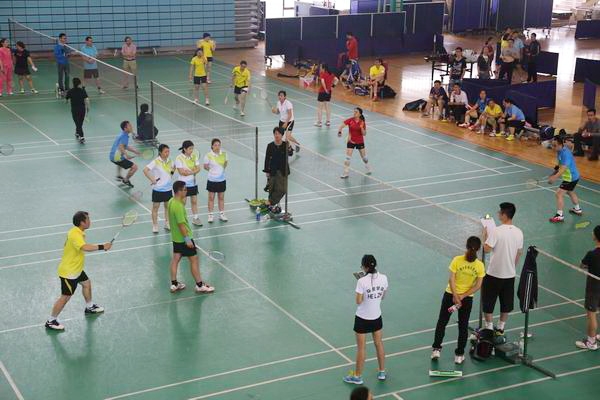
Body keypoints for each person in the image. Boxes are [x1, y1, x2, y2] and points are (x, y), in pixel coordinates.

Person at [44, 211, 112, 331]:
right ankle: (51, 321)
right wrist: (102, 246)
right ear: (82, 222)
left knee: (87, 284)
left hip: (77, 269)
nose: (90, 221)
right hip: (69, 273)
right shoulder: (75, 234)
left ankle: (89, 307)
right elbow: (84, 247)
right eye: (88, 219)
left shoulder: (76, 232)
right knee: (65, 297)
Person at [431, 236, 485, 364]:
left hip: (450, 295)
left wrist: (455, 296)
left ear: (466, 246)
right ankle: (459, 355)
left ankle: (436, 350)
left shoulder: (457, 260)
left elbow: (451, 280)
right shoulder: (480, 265)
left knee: (442, 322)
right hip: (466, 299)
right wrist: (462, 296)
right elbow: (478, 285)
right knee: (463, 326)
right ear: (478, 249)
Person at [481, 202, 523, 339]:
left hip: (493, 274)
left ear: (504, 215)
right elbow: (519, 252)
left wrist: (484, 236)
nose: (498, 214)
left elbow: (487, 249)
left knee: (488, 301)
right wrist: (512, 267)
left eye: (500, 212)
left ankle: (488, 327)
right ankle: (500, 328)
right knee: (506, 303)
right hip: (510, 275)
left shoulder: (496, 231)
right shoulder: (519, 232)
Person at [343, 255, 388, 385]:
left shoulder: (361, 281)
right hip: (376, 317)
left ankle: (357, 377)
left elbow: (358, 301)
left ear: (365, 267)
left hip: (362, 319)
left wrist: (364, 288)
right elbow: (383, 296)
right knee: (379, 344)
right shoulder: (384, 278)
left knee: (361, 348)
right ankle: (382, 372)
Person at [167, 180, 215, 294]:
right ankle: (200, 285)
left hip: (175, 238)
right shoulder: (178, 206)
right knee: (194, 259)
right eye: (185, 190)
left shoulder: (171, 201)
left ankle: (174, 284)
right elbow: (181, 224)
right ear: (179, 191)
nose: (186, 191)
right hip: (183, 238)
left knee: (175, 259)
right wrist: (187, 239)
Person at [575, 225, 600, 350]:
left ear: (595, 237)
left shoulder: (591, 254)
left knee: (591, 315)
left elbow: (582, 265)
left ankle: (591, 342)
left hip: (594, 288)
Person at [548, 136, 583, 223]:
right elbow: (559, 165)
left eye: (555, 145)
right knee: (570, 192)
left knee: (558, 194)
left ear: (561, 144)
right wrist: (553, 173)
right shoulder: (559, 151)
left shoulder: (565, 154)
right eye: (552, 145)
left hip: (571, 178)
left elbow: (563, 168)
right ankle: (577, 209)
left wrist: (554, 178)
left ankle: (559, 216)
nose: (553, 147)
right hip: (573, 176)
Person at [143, 144, 175, 233]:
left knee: (167, 207)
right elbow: (145, 170)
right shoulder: (156, 161)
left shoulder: (170, 161)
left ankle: (167, 223)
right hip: (158, 189)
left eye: (168, 151)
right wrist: (152, 179)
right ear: (160, 152)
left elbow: (174, 167)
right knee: (155, 207)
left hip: (168, 189)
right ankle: (155, 225)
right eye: (165, 152)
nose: (167, 153)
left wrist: (171, 174)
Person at [175, 140, 203, 226]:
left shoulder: (194, 156)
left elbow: (198, 168)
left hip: (193, 183)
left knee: (194, 201)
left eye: (192, 149)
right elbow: (181, 172)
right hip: (183, 184)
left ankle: (195, 218)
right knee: (183, 202)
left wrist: (190, 172)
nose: (192, 150)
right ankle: (181, 219)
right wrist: (193, 171)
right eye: (190, 149)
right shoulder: (179, 158)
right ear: (184, 149)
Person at [263, 127, 290, 213]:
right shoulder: (270, 146)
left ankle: (270, 202)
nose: (276, 135)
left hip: (283, 171)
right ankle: (275, 206)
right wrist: (267, 170)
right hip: (273, 170)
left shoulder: (285, 144)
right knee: (272, 189)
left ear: (282, 135)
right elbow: (267, 159)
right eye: (275, 134)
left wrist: (289, 146)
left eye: (278, 134)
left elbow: (290, 153)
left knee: (282, 190)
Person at [338, 107, 370, 178]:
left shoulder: (362, 122)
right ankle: (346, 172)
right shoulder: (350, 120)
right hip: (351, 141)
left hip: (360, 141)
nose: (354, 113)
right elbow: (342, 125)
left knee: (364, 158)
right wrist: (340, 131)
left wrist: (361, 128)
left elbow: (364, 134)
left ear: (360, 114)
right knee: (347, 158)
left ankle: (367, 165)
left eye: (356, 112)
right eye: (354, 112)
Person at [203, 138, 228, 223]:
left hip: (222, 180)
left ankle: (222, 214)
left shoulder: (224, 154)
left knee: (221, 197)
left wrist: (220, 171)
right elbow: (205, 166)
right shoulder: (208, 155)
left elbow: (225, 164)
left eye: (219, 145)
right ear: (212, 146)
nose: (217, 147)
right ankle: (210, 215)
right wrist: (213, 171)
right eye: (215, 145)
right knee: (211, 198)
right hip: (212, 180)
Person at [109, 121, 140, 187]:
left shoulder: (122, 134)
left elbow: (125, 146)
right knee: (135, 167)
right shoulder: (124, 136)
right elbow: (121, 146)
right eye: (129, 126)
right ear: (125, 128)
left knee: (121, 160)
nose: (131, 127)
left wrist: (135, 151)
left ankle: (119, 175)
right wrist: (127, 155)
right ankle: (126, 180)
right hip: (116, 157)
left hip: (112, 156)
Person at [272, 90, 300, 155]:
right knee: (280, 136)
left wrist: (286, 123)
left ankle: (295, 145)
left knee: (287, 137)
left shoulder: (288, 104)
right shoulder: (278, 103)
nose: (280, 97)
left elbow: (290, 115)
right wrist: (274, 111)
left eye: (281, 95)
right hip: (281, 121)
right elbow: (278, 112)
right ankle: (290, 147)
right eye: (279, 95)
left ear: (285, 97)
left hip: (289, 121)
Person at [65, 77, 90, 144]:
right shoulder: (82, 90)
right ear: (79, 83)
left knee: (78, 123)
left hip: (74, 110)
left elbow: (66, 100)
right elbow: (87, 100)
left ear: (73, 83)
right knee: (80, 123)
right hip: (82, 109)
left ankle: (82, 137)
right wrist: (88, 108)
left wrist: (67, 101)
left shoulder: (70, 91)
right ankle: (77, 132)